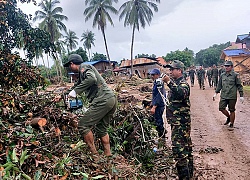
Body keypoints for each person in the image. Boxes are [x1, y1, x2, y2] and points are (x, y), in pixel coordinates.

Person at [58, 54, 117, 157]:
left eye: (69, 66)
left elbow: (92, 79)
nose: (69, 68)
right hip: (111, 99)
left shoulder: (84, 67)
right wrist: (63, 95)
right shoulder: (82, 75)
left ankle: (94, 155)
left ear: (72, 64)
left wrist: (75, 92)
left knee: (83, 125)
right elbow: (76, 86)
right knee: (101, 129)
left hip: (102, 100)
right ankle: (108, 155)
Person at [162, 60, 193, 179]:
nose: (170, 72)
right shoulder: (176, 83)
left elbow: (181, 94)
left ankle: (185, 177)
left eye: (172, 70)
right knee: (186, 148)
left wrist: (168, 82)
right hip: (177, 122)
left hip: (181, 123)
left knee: (179, 150)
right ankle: (189, 175)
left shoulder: (183, 84)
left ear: (179, 71)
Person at [213, 61, 244, 129]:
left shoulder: (235, 75)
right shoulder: (222, 75)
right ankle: (229, 118)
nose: (226, 67)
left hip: (232, 95)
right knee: (221, 108)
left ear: (231, 67)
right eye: (225, 66)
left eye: (228, 66)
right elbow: (219, 85)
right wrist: (216, 93)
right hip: (224, 95)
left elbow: (239, 85)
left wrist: (241, 95)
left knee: (232, 110)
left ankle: (231, 124)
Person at [149, 68, 167, 138]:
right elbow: (154, 94)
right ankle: (162, 132)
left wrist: (154, 107)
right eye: (151, 75)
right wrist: (152, 102)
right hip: (158, 104)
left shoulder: (159, 83)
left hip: (159, 105)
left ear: (158, 75)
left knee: (158, 121)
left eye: (153, 75)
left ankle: (162, 136)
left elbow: (159, 95)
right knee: (157, 119)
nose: (152, 76)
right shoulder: (156, 82)